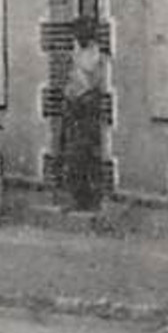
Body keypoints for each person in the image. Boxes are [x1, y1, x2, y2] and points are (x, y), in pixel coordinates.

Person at [63, 17, 108, 212]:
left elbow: (95, 80)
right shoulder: (76, 51)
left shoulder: (95, 53)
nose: (77, 37)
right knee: (71, 154)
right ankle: (76, 198)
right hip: (73, 107)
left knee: (84, 154)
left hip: (87, 108)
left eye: (81, 33)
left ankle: (88, 199)